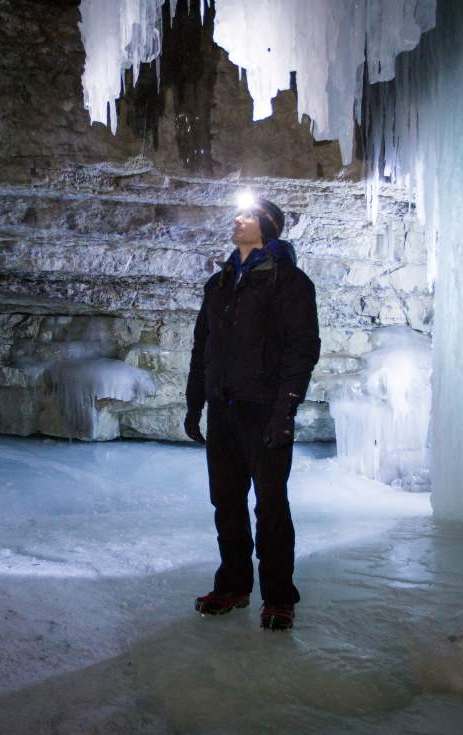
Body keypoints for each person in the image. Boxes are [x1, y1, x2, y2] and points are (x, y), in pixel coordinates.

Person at [183, 195, 321, 631]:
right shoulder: (218, 284)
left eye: (247, 215)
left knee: (271, 507)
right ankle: (233, 584)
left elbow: (302, 351)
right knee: (226, 502)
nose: (237, 220)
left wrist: (286, 410)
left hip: (264, 410)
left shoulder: (290, 282)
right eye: (237, 214)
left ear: (268, 226)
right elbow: (202, 347)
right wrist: (194, 401)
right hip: (223, 409)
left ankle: (279, 596)